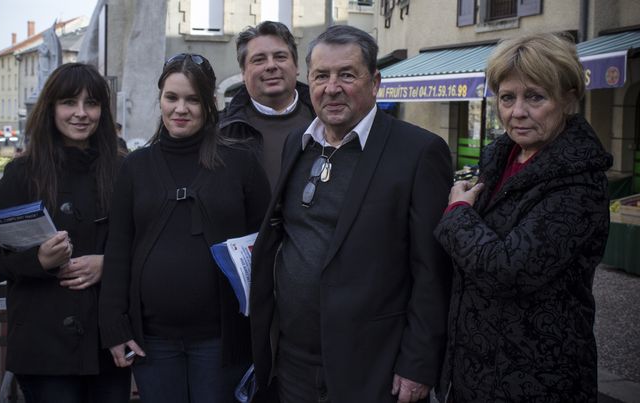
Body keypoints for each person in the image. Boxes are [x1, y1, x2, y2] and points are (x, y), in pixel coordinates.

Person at [250, 25, 452, 403]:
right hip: (293, 363)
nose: (332, 87)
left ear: (374, 82)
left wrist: (419, 363)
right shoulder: (299, 142)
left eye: (347, 74)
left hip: (372, 367)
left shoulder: (419, 152)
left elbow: (432, 271)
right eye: (321, 76)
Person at [433, 33, 613, 402]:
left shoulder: (578, 182)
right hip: (475, 370)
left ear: (568, 98)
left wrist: (457, 213)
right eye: (507, 97)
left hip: (537, 377)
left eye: (535, 96)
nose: (517, 112)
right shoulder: (500, 158)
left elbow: (509, 270)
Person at [99, 53, 271, 403]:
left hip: (223, 341)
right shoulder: (135, 167)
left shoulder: (241, 163)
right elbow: (117, 251)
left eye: (193, 99)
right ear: (160, 99)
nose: (181, 108)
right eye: (172, 97)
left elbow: (264, 247)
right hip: (152, 341)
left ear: (209, 104)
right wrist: (115, 327)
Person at [0, 63, 130, 402]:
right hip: (43, 350)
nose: (81, 113)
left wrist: (107, 264)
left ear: (103, 111)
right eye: (69, 102)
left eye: (91, 103)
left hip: (107, 344)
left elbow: (143, 245)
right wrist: (39, 260)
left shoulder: (123, 170)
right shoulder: (22, 174)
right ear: (51, 108)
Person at [219, 21, 316, 189]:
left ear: (296, 66)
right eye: (259, 59)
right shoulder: (220, 131)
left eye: (280, 57)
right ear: (243, 73)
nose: (271, 66)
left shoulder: (325, 121)